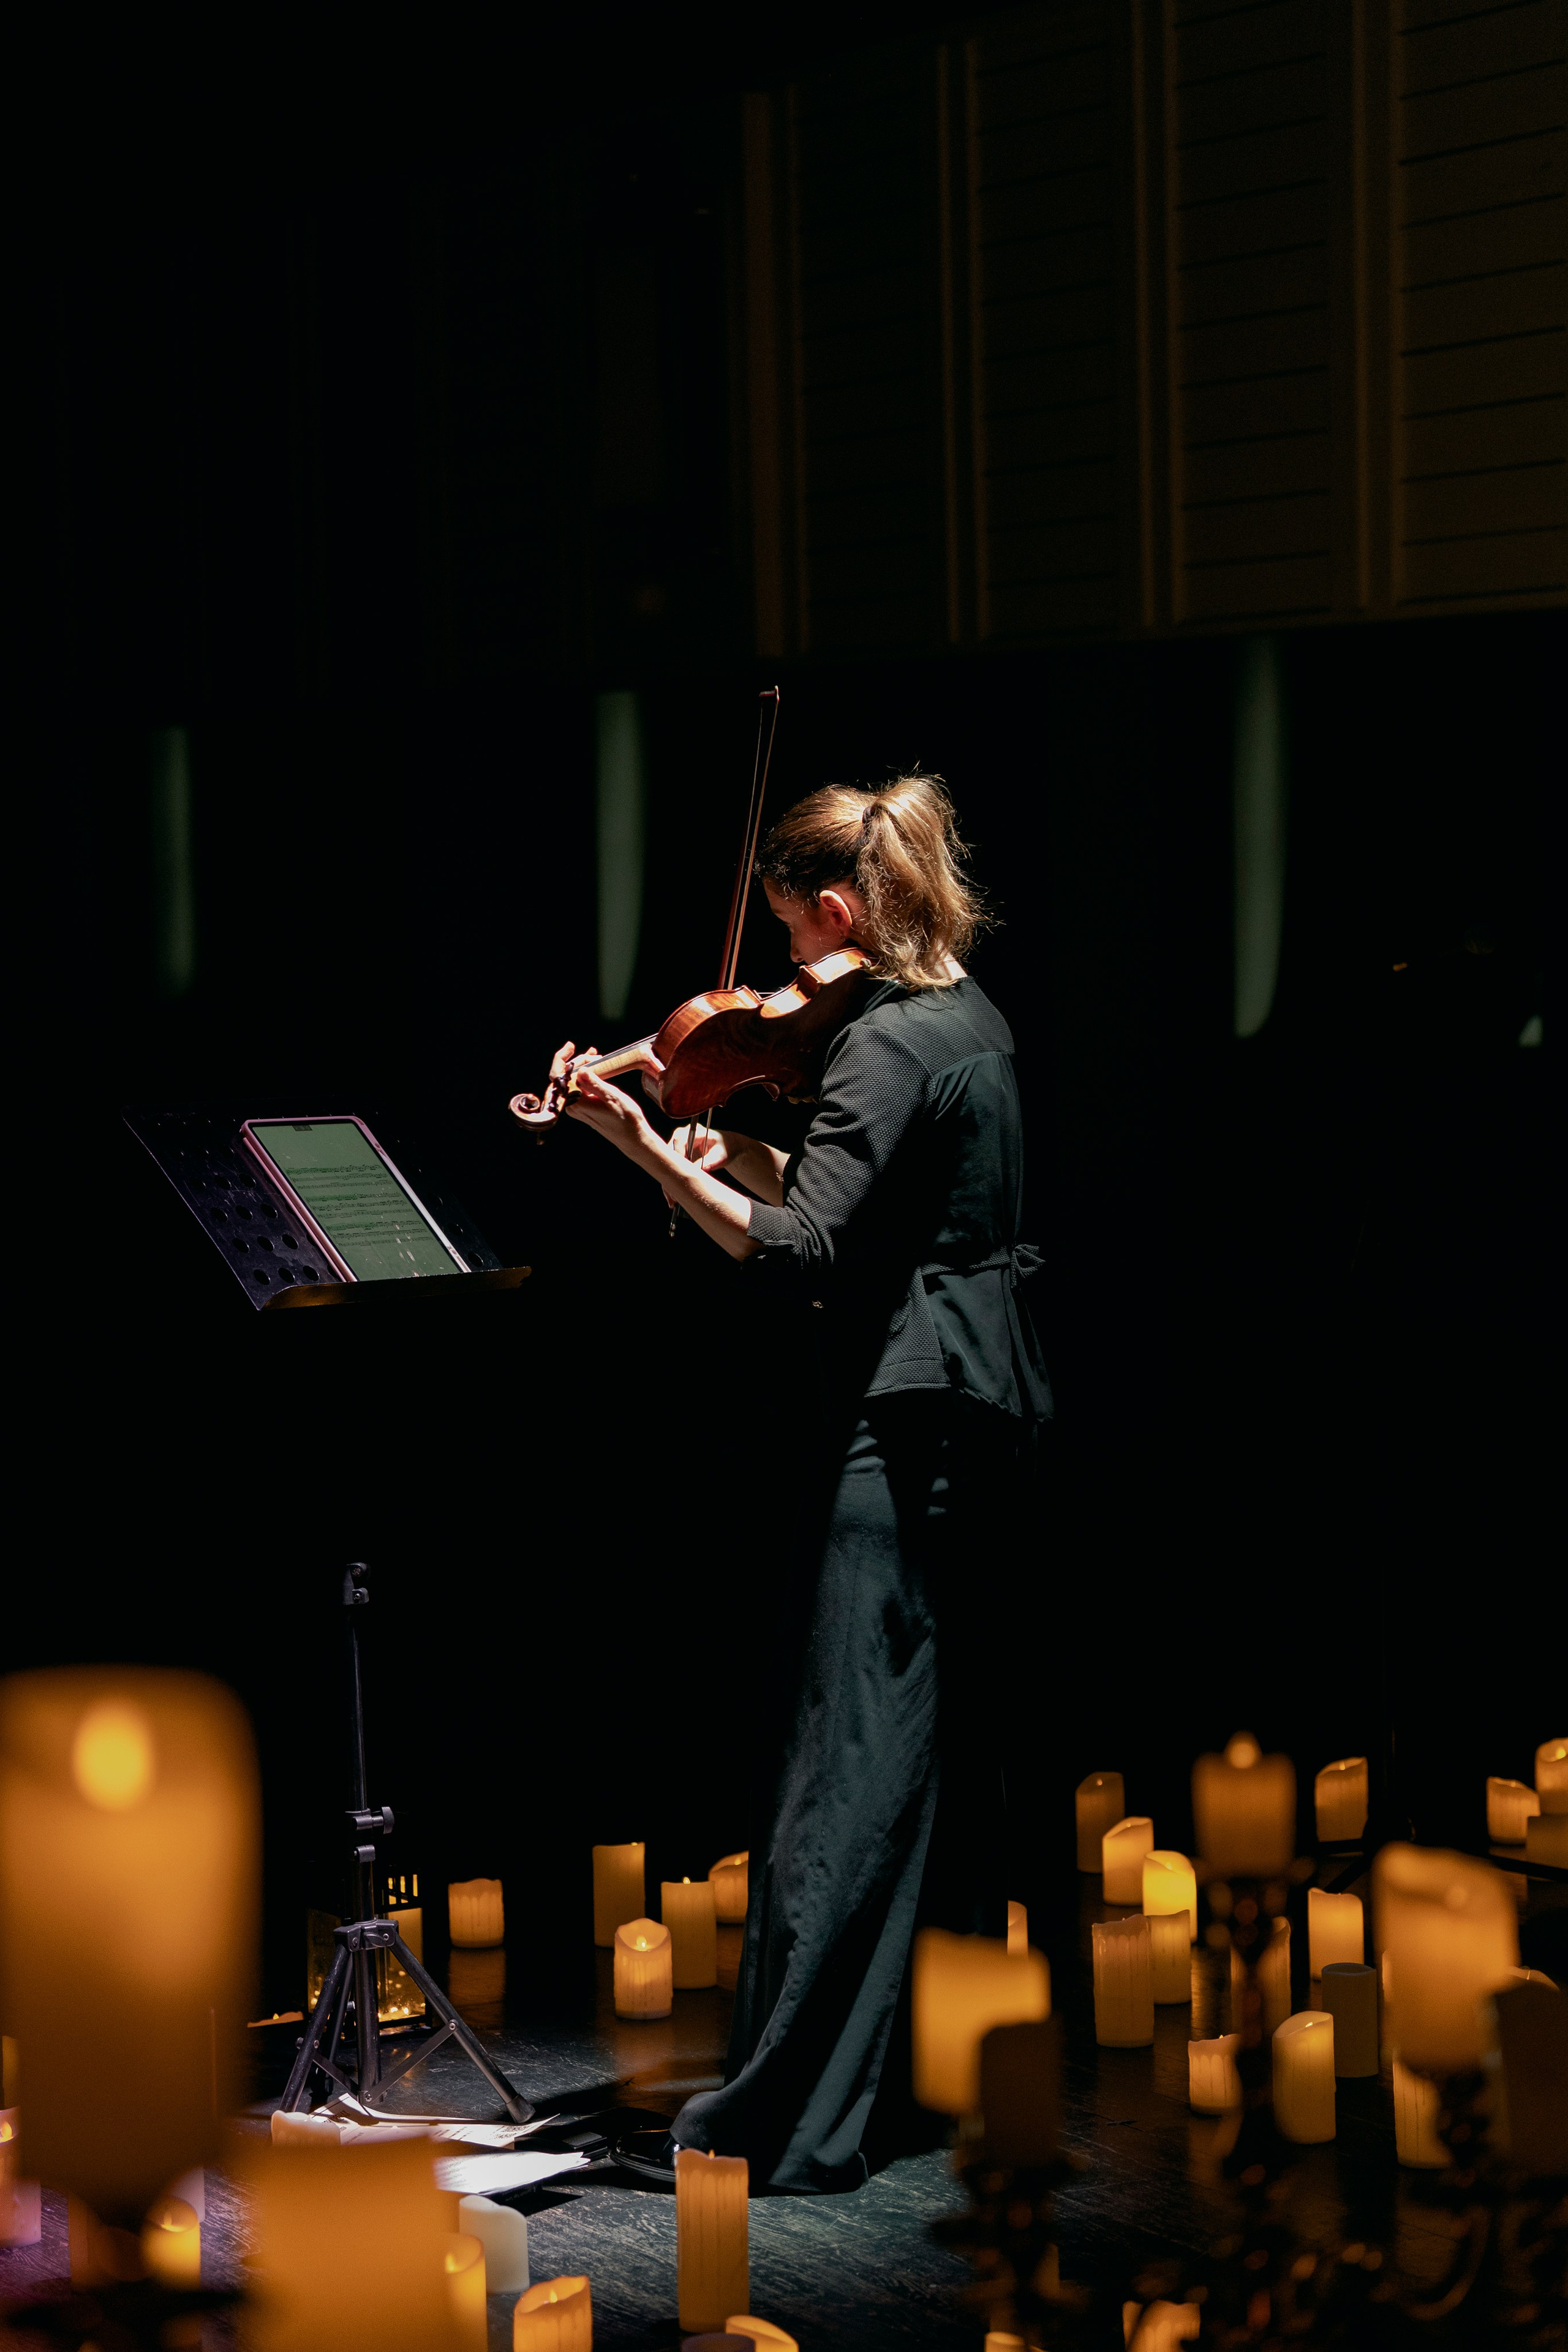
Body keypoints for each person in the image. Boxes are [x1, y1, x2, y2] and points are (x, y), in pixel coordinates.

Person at [551, 774, 1050, 2192]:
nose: (780, 980)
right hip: (978, 1405)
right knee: (920, 1770)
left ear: (841, 911)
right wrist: (751, 1152)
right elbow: (873, 1204)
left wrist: (645, 1149)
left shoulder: (887, 1047)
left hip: (905, 1430)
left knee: (844, 1771)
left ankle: (784, 2118)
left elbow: (805, 1256)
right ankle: (886, 2089)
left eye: (788, 941)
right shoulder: (964, 1016)